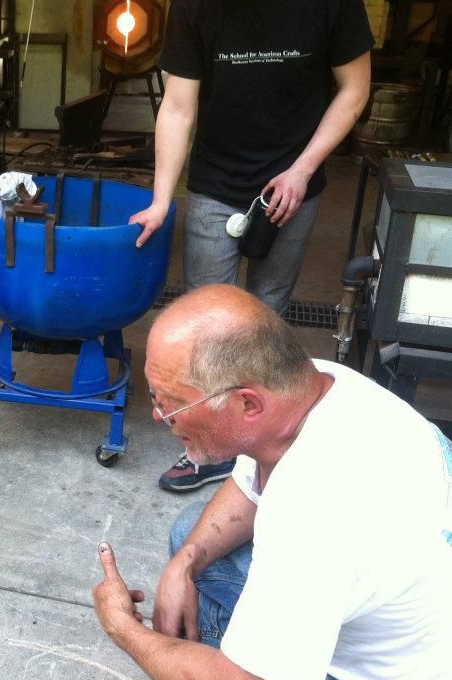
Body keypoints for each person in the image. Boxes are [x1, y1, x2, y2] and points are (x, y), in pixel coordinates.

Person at [92, 284, 452, 680]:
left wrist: (123, 628)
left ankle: (233, 665)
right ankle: (242, 654)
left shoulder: (315, 511)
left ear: (247, 404)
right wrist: (183, 562)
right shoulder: (315, 385)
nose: (158, 415)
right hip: (392, 623)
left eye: (171, 404)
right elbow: (248, 490)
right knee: (192, 532)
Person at [129, 0, 374, 493]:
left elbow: (354, 89)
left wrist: (303, 171)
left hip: (293, 182)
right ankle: (206, 450)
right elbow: (178, 106)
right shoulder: (195, 7)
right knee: (204, 329)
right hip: (215, 183)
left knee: (268, 319)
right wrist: (160, 200)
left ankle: (265, 448)